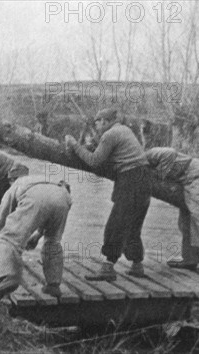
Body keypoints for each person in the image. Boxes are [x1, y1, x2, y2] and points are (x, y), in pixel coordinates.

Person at [65, 108, 151, 281]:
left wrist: (75, 145)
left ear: (104, 121)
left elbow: (94, 161)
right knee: (133, 225)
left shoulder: (110, 134)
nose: (96, 126)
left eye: (97, 122)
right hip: (144, 178)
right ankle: (137, 265)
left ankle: (108, 268)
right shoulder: (125, 130)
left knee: (116, 224)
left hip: (130, 179)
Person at [0, 164, 72, 301]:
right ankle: (53, 284)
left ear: (11, 179)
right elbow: (49, 204)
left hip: (36, 198)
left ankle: (10, 275)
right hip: (63, 197)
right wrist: (38, 235)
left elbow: (3, 216)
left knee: (6, 239)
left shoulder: (16, 184)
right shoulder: (41, 178)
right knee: (53, 241)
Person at [145, 147, 199, 269]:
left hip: (198, 175)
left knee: (198, 211)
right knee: (184, 222)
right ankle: (191, 259)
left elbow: (170, 153)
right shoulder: (146, 161)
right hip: (188, 180)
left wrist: (158, 174)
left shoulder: (151, 154)